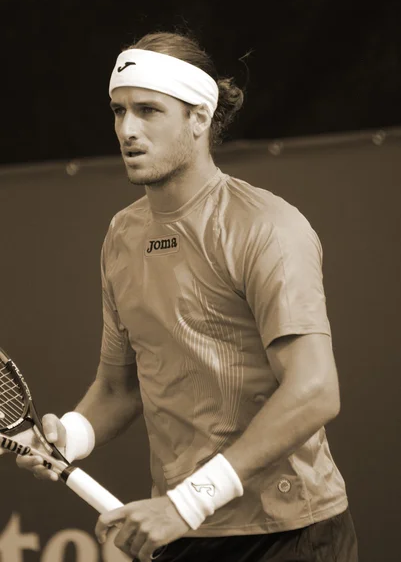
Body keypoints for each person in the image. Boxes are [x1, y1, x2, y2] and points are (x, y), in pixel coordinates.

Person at [12, 30, 358, 562]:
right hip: (182, 533)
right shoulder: (122, 236)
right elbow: (118, 385)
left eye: (148, 110)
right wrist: (72, 436)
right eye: (118, 111)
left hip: (288, 533)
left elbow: (314, 389)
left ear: (200, 117)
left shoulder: (267, 226)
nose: (127, 129)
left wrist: (189, 501)